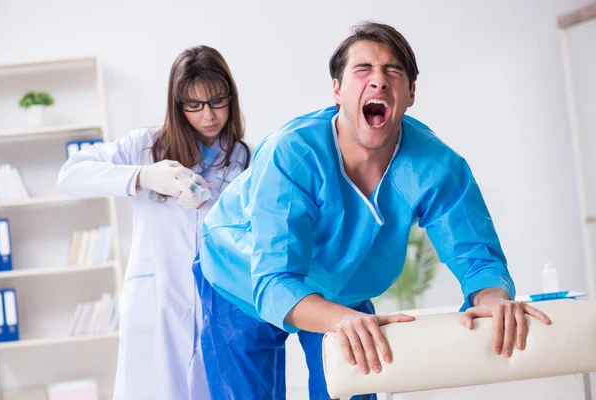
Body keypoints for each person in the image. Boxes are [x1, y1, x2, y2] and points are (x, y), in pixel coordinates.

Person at [194, 22, 551, 400]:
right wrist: (340, 318)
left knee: (356, 382)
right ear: (336, 89)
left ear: (411, 93)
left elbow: (477, 255)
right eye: (363, 69)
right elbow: (274, 279)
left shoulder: (436, 165)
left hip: (340, 285)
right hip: (241, 275)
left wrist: (492, 299)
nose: (379, 81)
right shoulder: (292, 153)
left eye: (393, 71)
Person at [58, 45, 250, 400]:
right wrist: (144, 176)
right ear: (177, 106)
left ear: (231, 98)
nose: (207, 115)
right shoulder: (145, 147)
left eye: (216, 101)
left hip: (220, 309)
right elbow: (70, 174)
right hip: (157, 302)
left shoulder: (245, 160)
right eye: (193, 105)